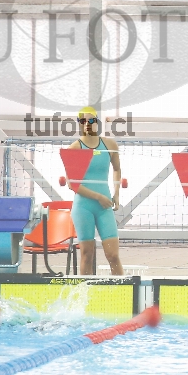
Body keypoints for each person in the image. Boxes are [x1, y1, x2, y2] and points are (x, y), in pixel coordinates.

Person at [68, 106, 124, 275]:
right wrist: (98, 197)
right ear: (79, 123)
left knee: (113, 255)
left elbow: (117, 169)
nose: (87, 123)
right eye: (83, 120)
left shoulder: (109, 145)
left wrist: (116, 193)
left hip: (104, 207)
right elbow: (72, 184)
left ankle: (122, 289)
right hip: (83, 207)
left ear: (97, 123)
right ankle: (85, 290)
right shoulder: (75, 148)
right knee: (87, 254)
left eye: (91, 120)